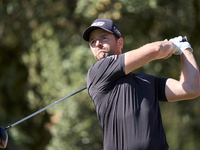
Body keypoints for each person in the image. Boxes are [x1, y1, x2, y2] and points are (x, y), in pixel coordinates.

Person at [83, 19, 200, 150]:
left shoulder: (147, 80)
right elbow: (156, 49)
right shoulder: (97, 71)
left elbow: (191, 88)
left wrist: (185, 48)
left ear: (119, 42)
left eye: (103, 38)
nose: (97, 43)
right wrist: (172, 45)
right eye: (93, 42)